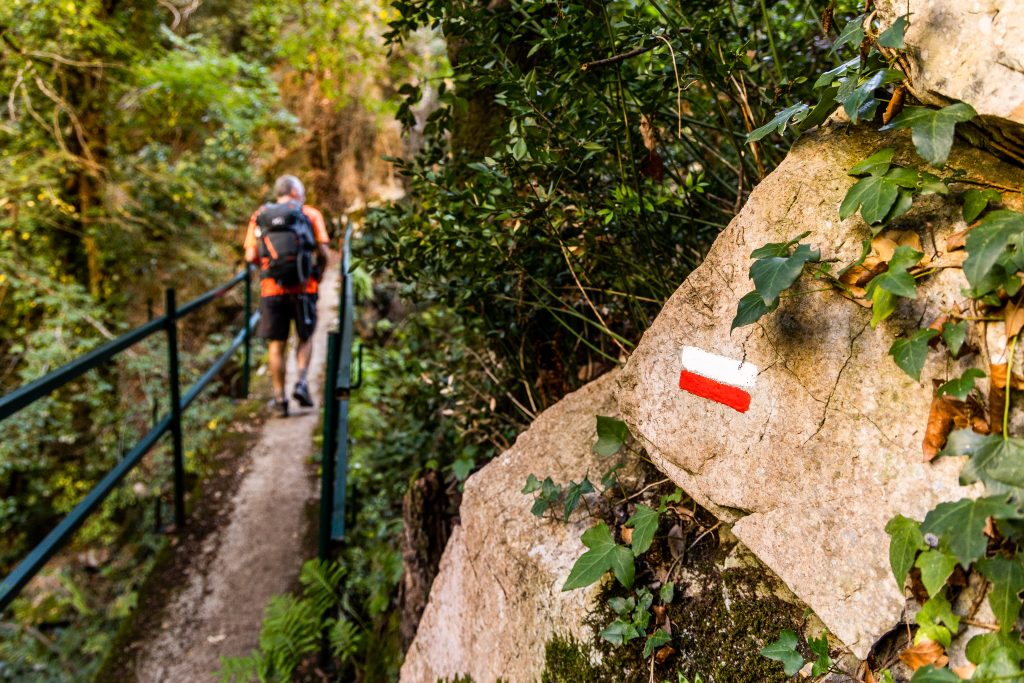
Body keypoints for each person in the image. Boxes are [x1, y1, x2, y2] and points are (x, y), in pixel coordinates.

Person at [244, 175, 331, 416]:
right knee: (305, 337)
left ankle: (280, 399)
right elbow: (324, 252)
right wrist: (319, 274)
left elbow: (250, 256)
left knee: (276, 344)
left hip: (272, 290)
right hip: (304, 288)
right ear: (294, 191)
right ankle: (301, 382)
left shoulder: (259, 215)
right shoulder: (310, 214)